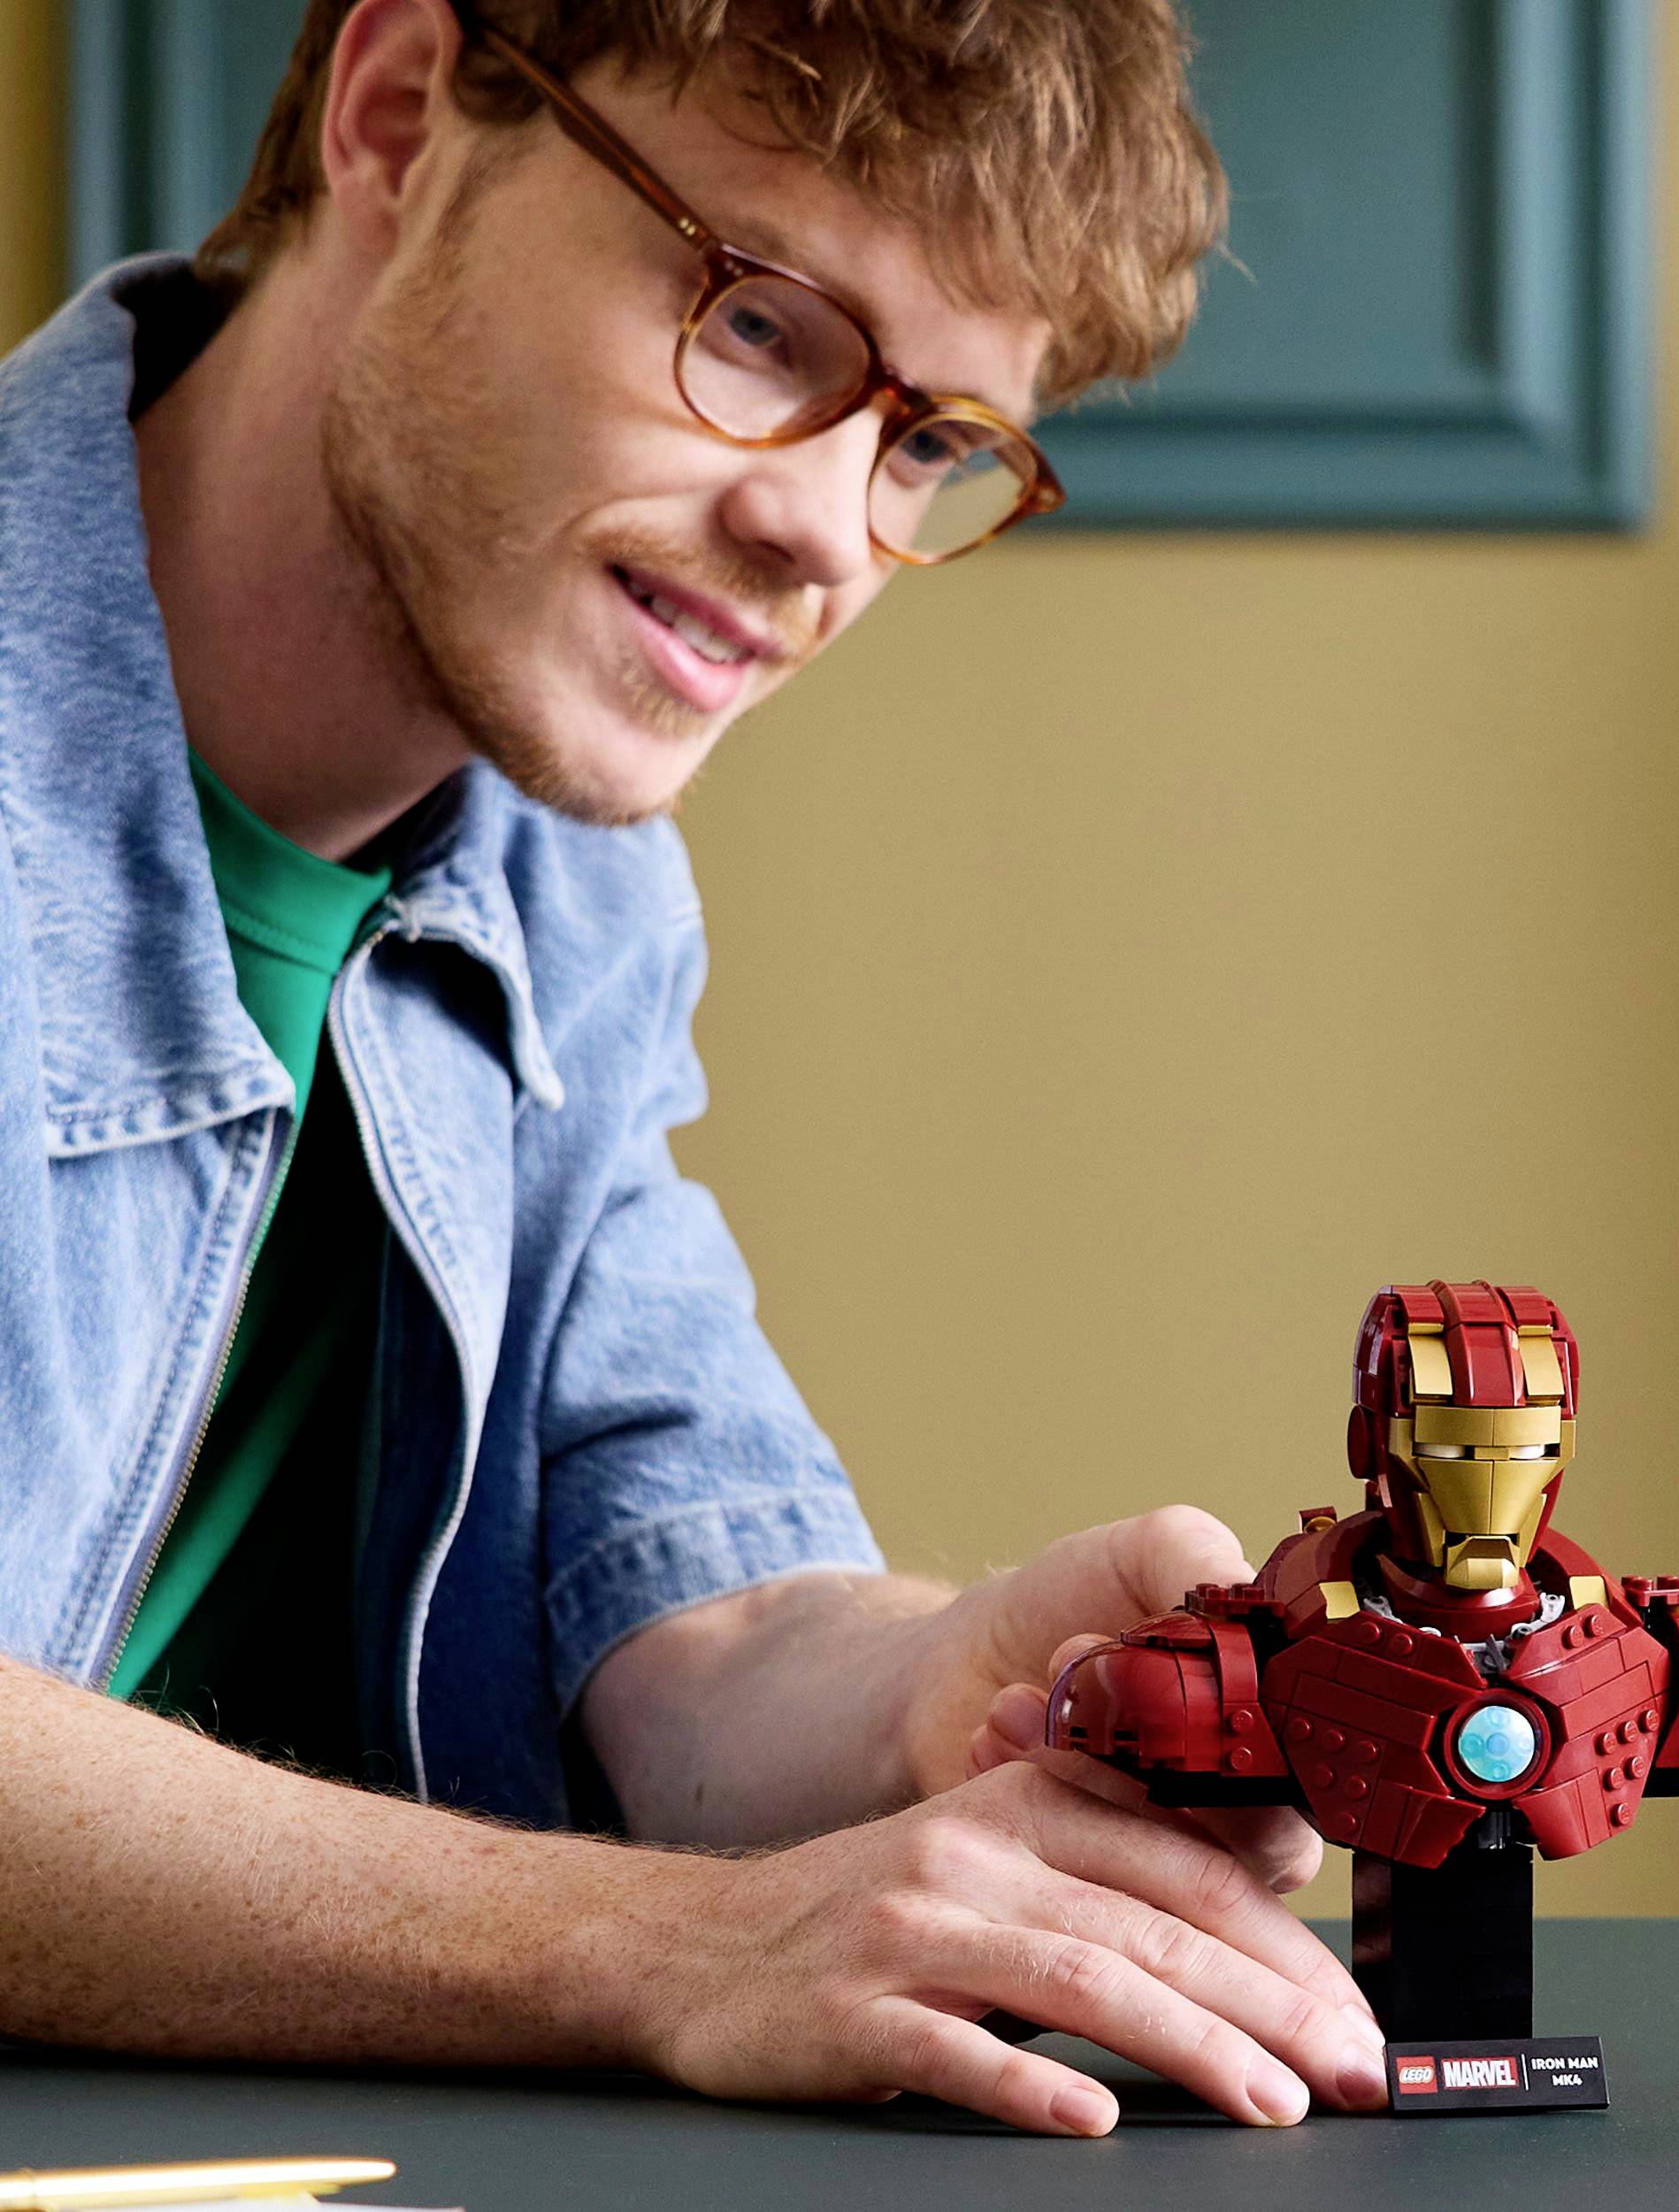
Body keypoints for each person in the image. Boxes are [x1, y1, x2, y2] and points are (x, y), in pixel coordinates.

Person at [0, 0, 1391, 2136]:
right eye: (762, 330)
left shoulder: (579, 887)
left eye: (927, 443)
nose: (832, 538)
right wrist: (669, 1947)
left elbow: (687, 1616)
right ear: (399, 113)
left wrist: (953, 1695)